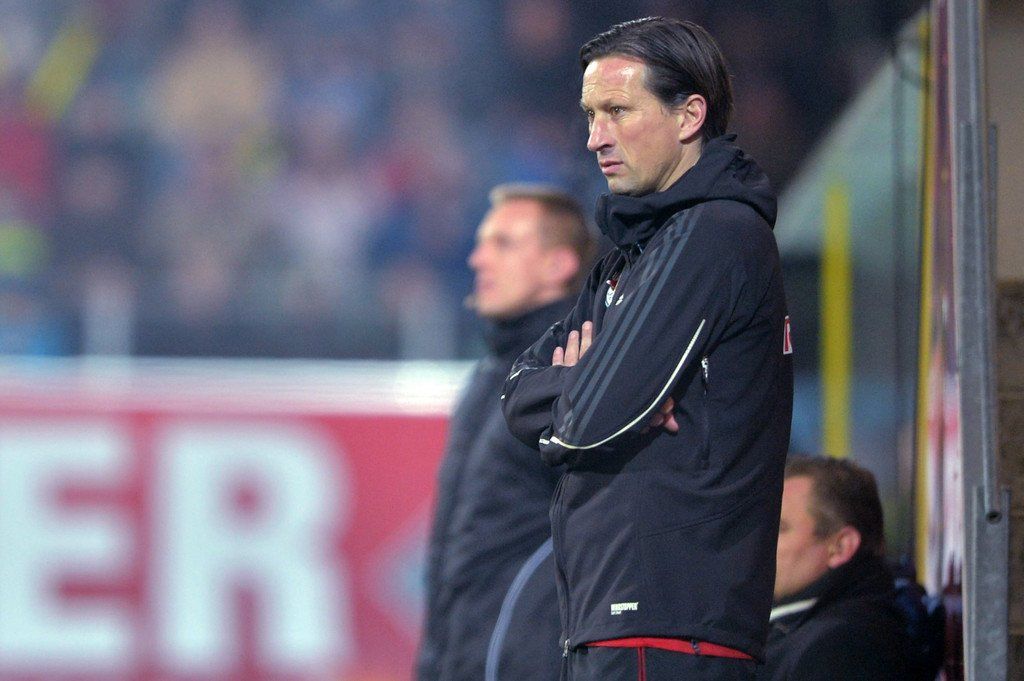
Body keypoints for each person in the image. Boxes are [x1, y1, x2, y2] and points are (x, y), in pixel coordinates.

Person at [501, 17, 793, 680]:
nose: (594, 137)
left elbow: (586, 423)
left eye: (617, 111)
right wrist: (599, 387)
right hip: (623, 619)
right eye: (590, 115)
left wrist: (593, 394)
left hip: (669, 624)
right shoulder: (629, 255)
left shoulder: (714, 232)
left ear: (689, 115)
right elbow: (517, 393)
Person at [417, 184, 596, 681]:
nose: (478, 259)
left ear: (558, 264)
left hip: (524, 658)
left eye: (503, 243)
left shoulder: (577, 368)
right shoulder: (488, 375)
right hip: (460, 655)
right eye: (481, 243)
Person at [759, 456, 910, 680]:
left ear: (840, 547)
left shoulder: (841, 648)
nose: (758, 543)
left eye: (779, 528)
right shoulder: (802, 630)